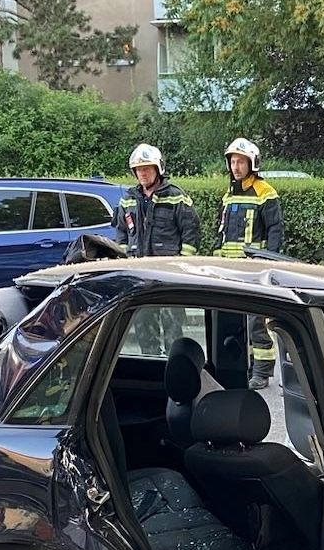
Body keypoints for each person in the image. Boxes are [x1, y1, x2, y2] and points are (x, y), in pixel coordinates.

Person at [113, 143, 199, 352]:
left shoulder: (176, 196)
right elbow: (121, 231)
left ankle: (173, 366)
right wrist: (124, 258)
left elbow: (191, 230)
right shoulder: (128, 199)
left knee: (173, 327)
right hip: (140, 274)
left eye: (147, 168)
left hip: (168, 272)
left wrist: (181, 262)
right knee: (143, 324)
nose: (142, 173)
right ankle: (151, 363)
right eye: (139, 169)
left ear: (158, 169)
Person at [214, 138, 284, 389]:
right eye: (233, 161)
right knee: (234, 322)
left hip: (255, 269)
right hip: (230, 270)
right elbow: (221, 232)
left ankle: (262, 371)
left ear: (251, 163)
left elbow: (275, 230)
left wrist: (268, 262)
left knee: (257, 321)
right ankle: (241, 368)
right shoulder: (229, 195)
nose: (236, 166)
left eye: (241, 161)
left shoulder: (265, 191)